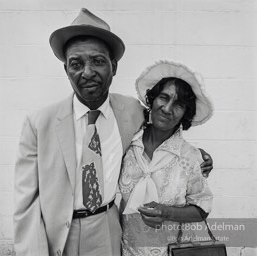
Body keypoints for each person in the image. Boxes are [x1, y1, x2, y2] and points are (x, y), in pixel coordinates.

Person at [13, 8, 213, 256]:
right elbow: (26, 204)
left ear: (114, 66)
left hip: (108, 229)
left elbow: (163, 127)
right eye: (76, 63)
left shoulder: (130, 111)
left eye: (97, 61)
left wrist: (199, 157)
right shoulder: (38, 123)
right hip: (58, 235)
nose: (87, 72)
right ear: (66, 70)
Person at [119, 60, 214, 256]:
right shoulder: (127, 144)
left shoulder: (190, 157)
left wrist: (167, 212)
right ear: (152, 100)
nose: (168, 108)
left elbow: (202, 208)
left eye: (178, 105)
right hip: (126, 250)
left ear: (185, 114)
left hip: (171, 251)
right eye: (164, 97)